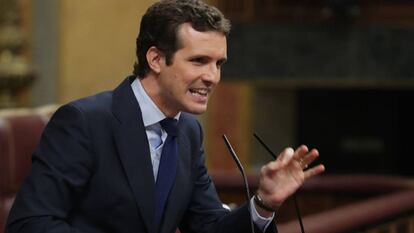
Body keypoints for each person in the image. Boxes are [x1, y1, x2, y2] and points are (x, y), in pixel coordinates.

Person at [6, 0, 325, 233]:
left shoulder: (187, 131)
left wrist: (264, 203)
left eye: (219, 64)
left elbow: (208, 226)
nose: (213, 77)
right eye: (199, 61)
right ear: (156, 59)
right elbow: (30, 224)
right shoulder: (83, 122)